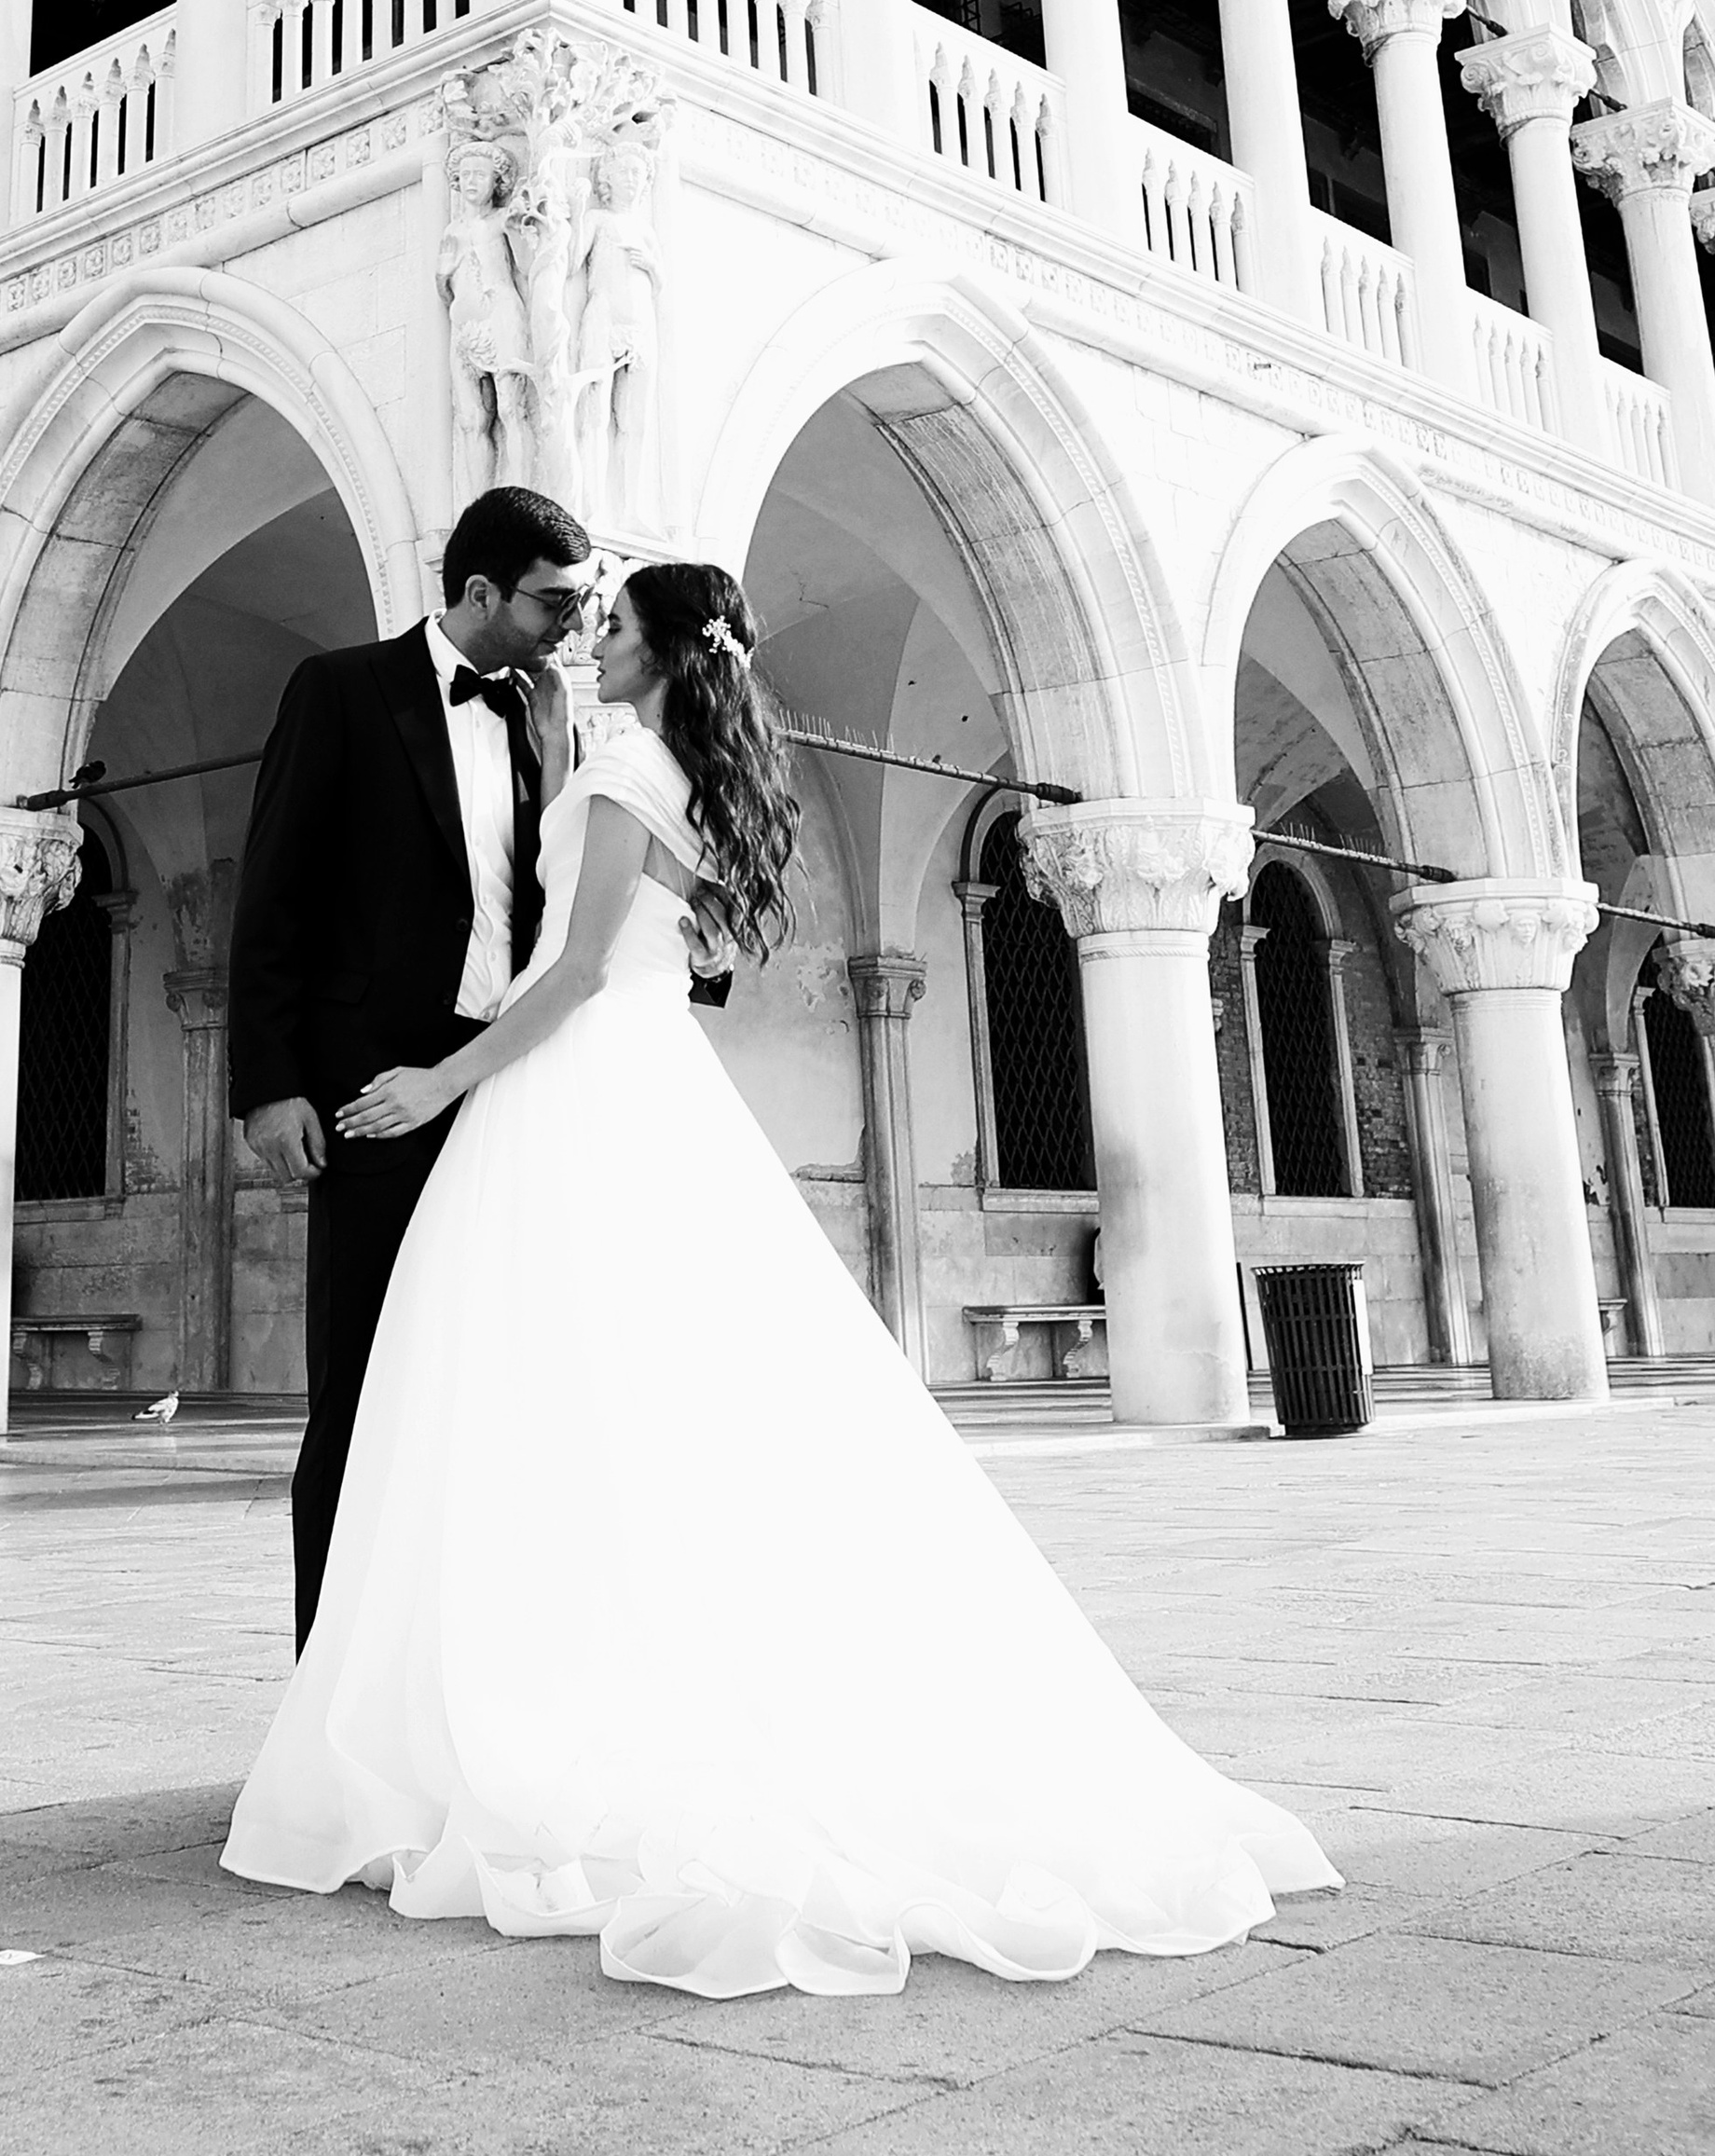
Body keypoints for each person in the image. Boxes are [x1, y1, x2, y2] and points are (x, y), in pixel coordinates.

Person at [224, 559, 1338, 2000]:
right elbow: (666, 950)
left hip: (571, 1081)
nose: (592, 637)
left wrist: (437, 1080)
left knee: (523, 1394)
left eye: (614, 623)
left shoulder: (622, 766)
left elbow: (572, 974)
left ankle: (522, 1709)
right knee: (606, 1398)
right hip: (645, 1079)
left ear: (663, 651)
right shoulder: (690, 769)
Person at [228, 484, 597, 1650]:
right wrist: (269, 1083)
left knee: (489, 1385)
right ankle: (327, 1684)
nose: (572, 628)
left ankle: (457, 1669)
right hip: (372, 1094)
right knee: (362, 1388)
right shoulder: (340, 690)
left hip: (504, 1082)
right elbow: (272, 896)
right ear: (480, 591)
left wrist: (557, 750)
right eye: (552, 604)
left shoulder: (544, 720)